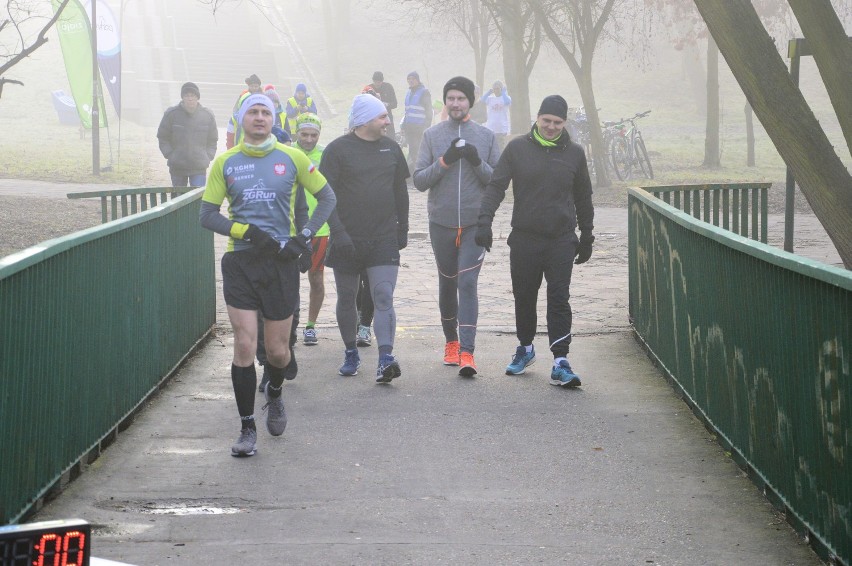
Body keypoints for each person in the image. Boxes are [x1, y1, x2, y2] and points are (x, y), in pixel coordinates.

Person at [199, 93, 337, 457]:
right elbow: (207, 215)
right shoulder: (225, 163)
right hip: (241, 261)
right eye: (252, 112)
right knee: (244, 345)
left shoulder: (293, 157)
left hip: (280, 263)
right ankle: (247, 428)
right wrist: (245, 232)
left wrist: (303, 238)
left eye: (265, 112)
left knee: (278, 353)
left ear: (273, 119)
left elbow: (327, 198)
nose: (259, 117)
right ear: (241, 119)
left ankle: (274, 392)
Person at [475, 94, 594, 387]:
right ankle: (525, 348)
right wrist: (484, 221)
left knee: (559, 298)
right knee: (524, 295)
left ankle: (560, 361)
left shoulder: (575, 154)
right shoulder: (517, 148)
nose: (551, 127)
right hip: (525, 238)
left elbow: (583, 198)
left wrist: (588, 234)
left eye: (557, 122)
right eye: (546, 121)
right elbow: (496, 187)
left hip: (561, 239)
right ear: (537, 119)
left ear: (565, 123)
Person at [413, 76, 500, 377]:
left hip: (475, 224)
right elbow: (420, 180)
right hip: (442, 223)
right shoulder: (432, 135)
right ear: (445, 101)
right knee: (448, 282)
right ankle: (450, 342)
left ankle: (467, 352)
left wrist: (476, 160)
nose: (455, 103)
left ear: (470, 102)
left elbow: (497, 181)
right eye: (450, 98)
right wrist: (446, 160)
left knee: (467, 283)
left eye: (461, 98)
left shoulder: (486, 136)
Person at [320, 94, 409, 383]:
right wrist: (338, 232)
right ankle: (350, 352)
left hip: (383, 237)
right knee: (347, 297)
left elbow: (401, 193)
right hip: (347, 238)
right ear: (365, 120)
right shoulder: (337, 150)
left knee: (383, 295)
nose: (387, 121)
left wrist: (403, 229)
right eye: (382, 116)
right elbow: (325, 197)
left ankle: (385, 359)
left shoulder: (392, 149)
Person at [289, 113, 331, 346]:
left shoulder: (325, 155)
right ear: (297, 133)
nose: (308, 139)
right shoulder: (286, 153)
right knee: (288, 280)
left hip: (319, 228)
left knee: (316, 279)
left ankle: (311, 326)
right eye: (304, 134)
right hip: (291, 228)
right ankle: (289, 325)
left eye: (313, 135)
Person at [156, 82, 218, 187]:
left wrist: (208, 156)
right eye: (187, 95)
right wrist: (170, 155)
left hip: (199, 166)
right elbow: (163, 137)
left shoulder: (207, 115)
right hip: (177, 166)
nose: (190, 98)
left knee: (197, 199)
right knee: (179, 199)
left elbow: (213, 139)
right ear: (182, 97)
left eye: (193, 95)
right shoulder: (172, 114)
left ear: (197, 97)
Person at [401, 71, 433, 174]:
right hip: (409, 128)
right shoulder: (408, 92)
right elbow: (407, 111)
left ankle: (420, 174)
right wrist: (403, 126)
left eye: (413, 79)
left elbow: (429, 112)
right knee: (412, 152)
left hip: (419, 128)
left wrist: (426, 127)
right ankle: (414, 175)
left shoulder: (424, 92)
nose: (410, 81)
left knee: (418, 152)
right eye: (408, 79)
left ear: (418, 80)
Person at [226, 74, 263, 149]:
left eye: (256, 86)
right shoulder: (244, 95)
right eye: (252, 86)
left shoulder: (262, 97)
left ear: (259, 86)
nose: (254, 88)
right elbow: (237, 107)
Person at [482, 80, 512, 150]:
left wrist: (503, 93)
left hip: (501, 128)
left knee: (500, 147)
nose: (496, 90)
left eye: (497, 88)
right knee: (491, 147)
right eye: (494, 89)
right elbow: (482, 100)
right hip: (491, 127)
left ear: (501, 89)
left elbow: (507, 102)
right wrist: (488, 93)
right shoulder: (490, 99)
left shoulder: (506, 98)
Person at [370, 71, 398, 140]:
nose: (377, 83)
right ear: (373, 80)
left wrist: (387, 104)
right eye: (375, 81)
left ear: (382, 81)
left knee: (390, 138)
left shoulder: (388, 87)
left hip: (387, 117)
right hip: (373, 118)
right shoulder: (369, 88)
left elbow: (395, 104)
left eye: (379, 82)